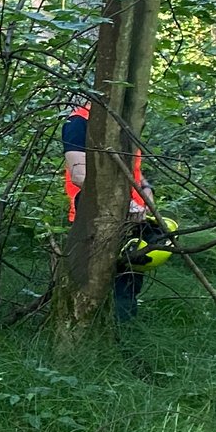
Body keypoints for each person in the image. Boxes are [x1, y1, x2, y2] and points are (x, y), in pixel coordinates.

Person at [61, 101, 156, 321]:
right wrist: (121, 202)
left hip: (133, 218)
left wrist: (146, 190)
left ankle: (125, 339)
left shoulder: (121, 124)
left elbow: (133, 171)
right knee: (95, 284)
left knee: (128, 285)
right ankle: (91, 339)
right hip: (93, 218)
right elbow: (79, 176)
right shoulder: (78, 122)